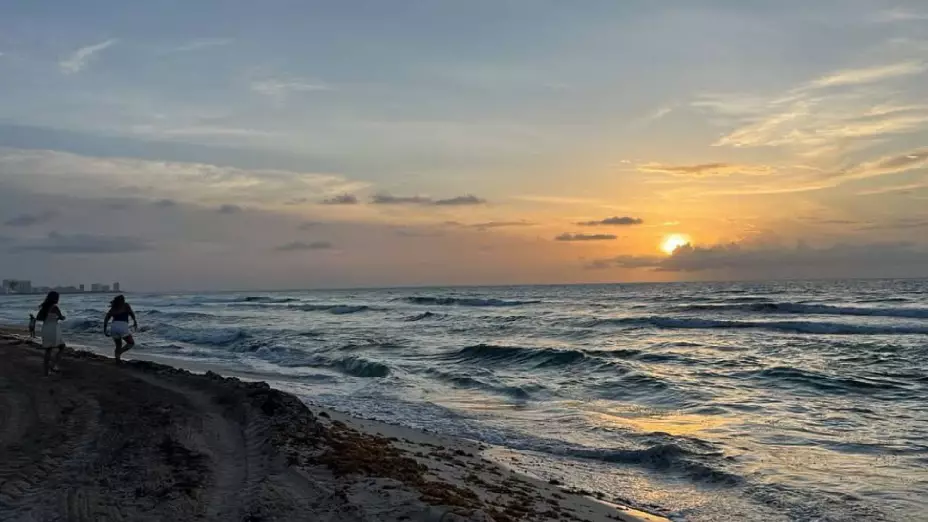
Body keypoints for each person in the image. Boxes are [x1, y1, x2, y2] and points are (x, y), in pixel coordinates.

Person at [36, 291, 66, 376]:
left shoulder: (44, 307)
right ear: (55, 298)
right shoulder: (55, 307)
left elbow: (39, 318)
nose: (58, 299)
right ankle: (55, 365)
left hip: (45, 328)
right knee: (62, 347)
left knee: (48, 350)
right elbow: (61, 317)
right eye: (58, 298)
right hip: (53, 329)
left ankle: (46, 371)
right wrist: (60, 318)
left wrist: (49, 318)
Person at [104, 295, 138, 362]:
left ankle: (117, 360)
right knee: (131, 343)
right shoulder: (126, 305)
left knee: (118, 345)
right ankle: (120, 352)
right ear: (122, 300)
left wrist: (105, 330)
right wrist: (135, 321)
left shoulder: (113, 308)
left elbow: (106, 318)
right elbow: (131, 313)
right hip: (122, 326)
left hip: (113, 327)